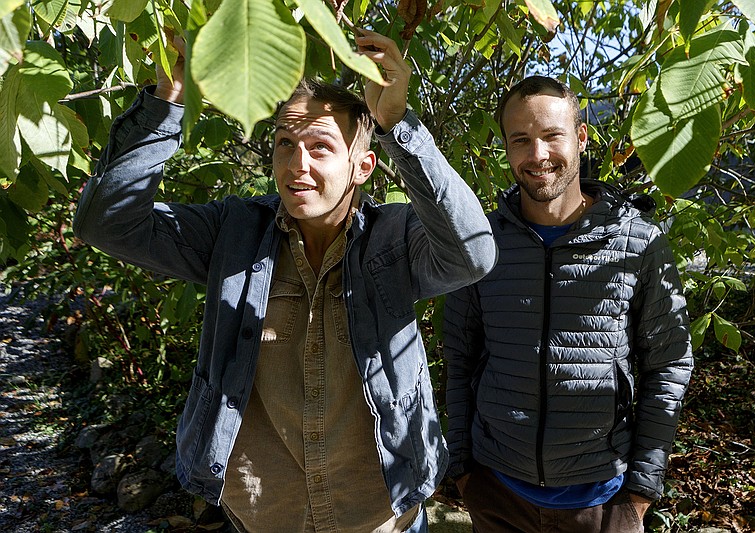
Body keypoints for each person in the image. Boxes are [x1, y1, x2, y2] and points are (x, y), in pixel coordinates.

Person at [74, 30, 496, 532]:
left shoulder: (393, 239)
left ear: (362, 166)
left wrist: (396, 124)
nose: (299, 165)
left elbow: (473, 252)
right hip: (262, 516)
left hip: (381, 519)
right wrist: (169, 98)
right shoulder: (233, 234)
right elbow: (106, 221)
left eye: (321, 148)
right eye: (285, 144)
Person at [443, 75, 694, 532]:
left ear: (579, 137)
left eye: (551, 135)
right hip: (497, 492)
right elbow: (459, 355)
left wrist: (640, 493)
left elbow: (669, 364)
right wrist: (464, 471)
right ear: (506, 147)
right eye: (521, 140)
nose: (537, 155)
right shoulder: (482, 243)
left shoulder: (637, 242)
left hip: (603, 500)